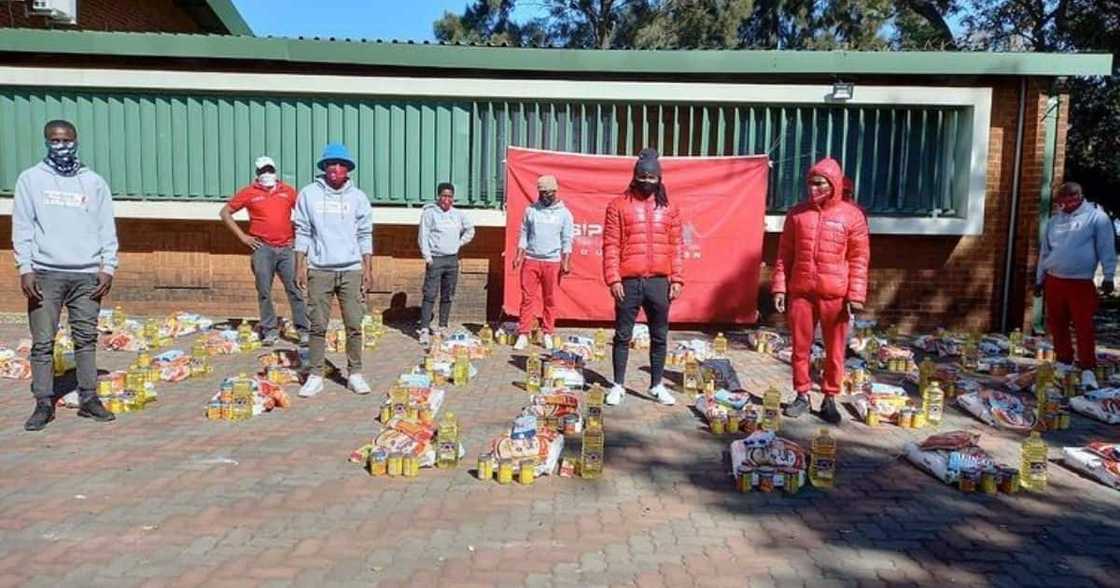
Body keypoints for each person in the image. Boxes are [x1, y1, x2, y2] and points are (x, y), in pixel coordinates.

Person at [13, 119, 118, 431]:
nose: (62, 146)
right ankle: (43, 402)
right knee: (43, 342)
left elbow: (105, 227)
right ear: (46, 142)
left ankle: (88, 398)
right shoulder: (31, 180)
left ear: (77, 140)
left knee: (86, 340)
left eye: (68, 140)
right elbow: (23, 228)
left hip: (86, 275)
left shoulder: (94, 182)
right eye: (55, 140)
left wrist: (108, 266)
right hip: (45, 274)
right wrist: (26, 268)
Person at [772, 157, 870, 425]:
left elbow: (859, 259)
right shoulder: (797, 214)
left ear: (834, 184)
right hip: (801, 292)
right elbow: (784, 255)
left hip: (835, 294)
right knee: (800, 348)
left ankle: (829, 397)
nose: (814, 189)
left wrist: (856, 295)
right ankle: (802, 393)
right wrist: (780, 287)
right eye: (811, 183)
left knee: (835, 351)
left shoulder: (852, 216)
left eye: (820, 184)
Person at [602, 149, 683, 407]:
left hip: (659, 282)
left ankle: (657, 385)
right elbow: (611, 244)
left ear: (660, 178)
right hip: (628, 282)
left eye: (653, 177)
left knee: (660, 335)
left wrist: (678, 278)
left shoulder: (669, 208)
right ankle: (618, 385)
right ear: (635, 176)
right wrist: (613, 278)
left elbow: (676, 245)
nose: (648, 181)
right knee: (622, 335)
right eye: (643, 176)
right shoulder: (618, 205)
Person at [293, 143, 375, 398]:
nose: (335, 169)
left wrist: (368, 269)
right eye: (331, 164)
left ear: (348, 169)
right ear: (324, 168)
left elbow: (364, 234)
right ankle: (315, 375)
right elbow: (303, 231)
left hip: (351, 270)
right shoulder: (309, 195)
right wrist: (300, 265)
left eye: (341, 165)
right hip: (320, 269)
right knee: (317, 325)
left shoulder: (358, 198)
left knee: (354, 323)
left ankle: (355, 373)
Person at [1035, 182, 1117, 389]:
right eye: (1061, 201)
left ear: (1079, 197)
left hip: (1080, 281)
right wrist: (1039, 279)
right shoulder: (1054, 221)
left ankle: (1088, 367)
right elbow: (1045, 252)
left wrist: (1108, 276)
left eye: (1069, 199)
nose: (1065, 204)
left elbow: (1106, 247)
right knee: (1057, 323)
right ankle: (1064, 361)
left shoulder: (1096, 218)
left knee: (1083, 326)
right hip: (1054, 279)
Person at [220, 156, 309, 347]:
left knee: (295, 289)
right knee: (264, 291)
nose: (266, 174)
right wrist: (243, 237)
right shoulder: (249, 192)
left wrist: (300, 239)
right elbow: (225, 212)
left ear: (275, 171)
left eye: (269, 170)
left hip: (287, 247)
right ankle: (269, 330)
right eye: (262, 171)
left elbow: (304, 214)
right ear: (257, 173)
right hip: (262, 248)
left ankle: (303, 331)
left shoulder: (288, 191)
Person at [512, 175, 573, 351]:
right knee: (527, 298)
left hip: (552, 262)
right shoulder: (531, 211)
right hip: (531, 259)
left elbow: (567, 239)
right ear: (539, 192)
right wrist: (519, 255)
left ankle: (547, 333)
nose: (547, 195)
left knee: (550, 299)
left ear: (556, 192)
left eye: (550, 192)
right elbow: (524, 234)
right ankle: (523, 333)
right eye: (543, 192)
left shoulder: (564, 214)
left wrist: (566, 261)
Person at [417, 182, 474, 346]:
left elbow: (471, 230)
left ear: (453, 198)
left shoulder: (458, 214)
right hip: (435, 259)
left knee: (448, 294)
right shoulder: (429, 213)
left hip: (452, 259)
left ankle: (442, 326)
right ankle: (425, 329)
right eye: (443, 196)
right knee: (430, 295)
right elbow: (423, 236)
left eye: (449, 196)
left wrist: (459, 243)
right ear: (438, 196)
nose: (446, 199)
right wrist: (427, 257)